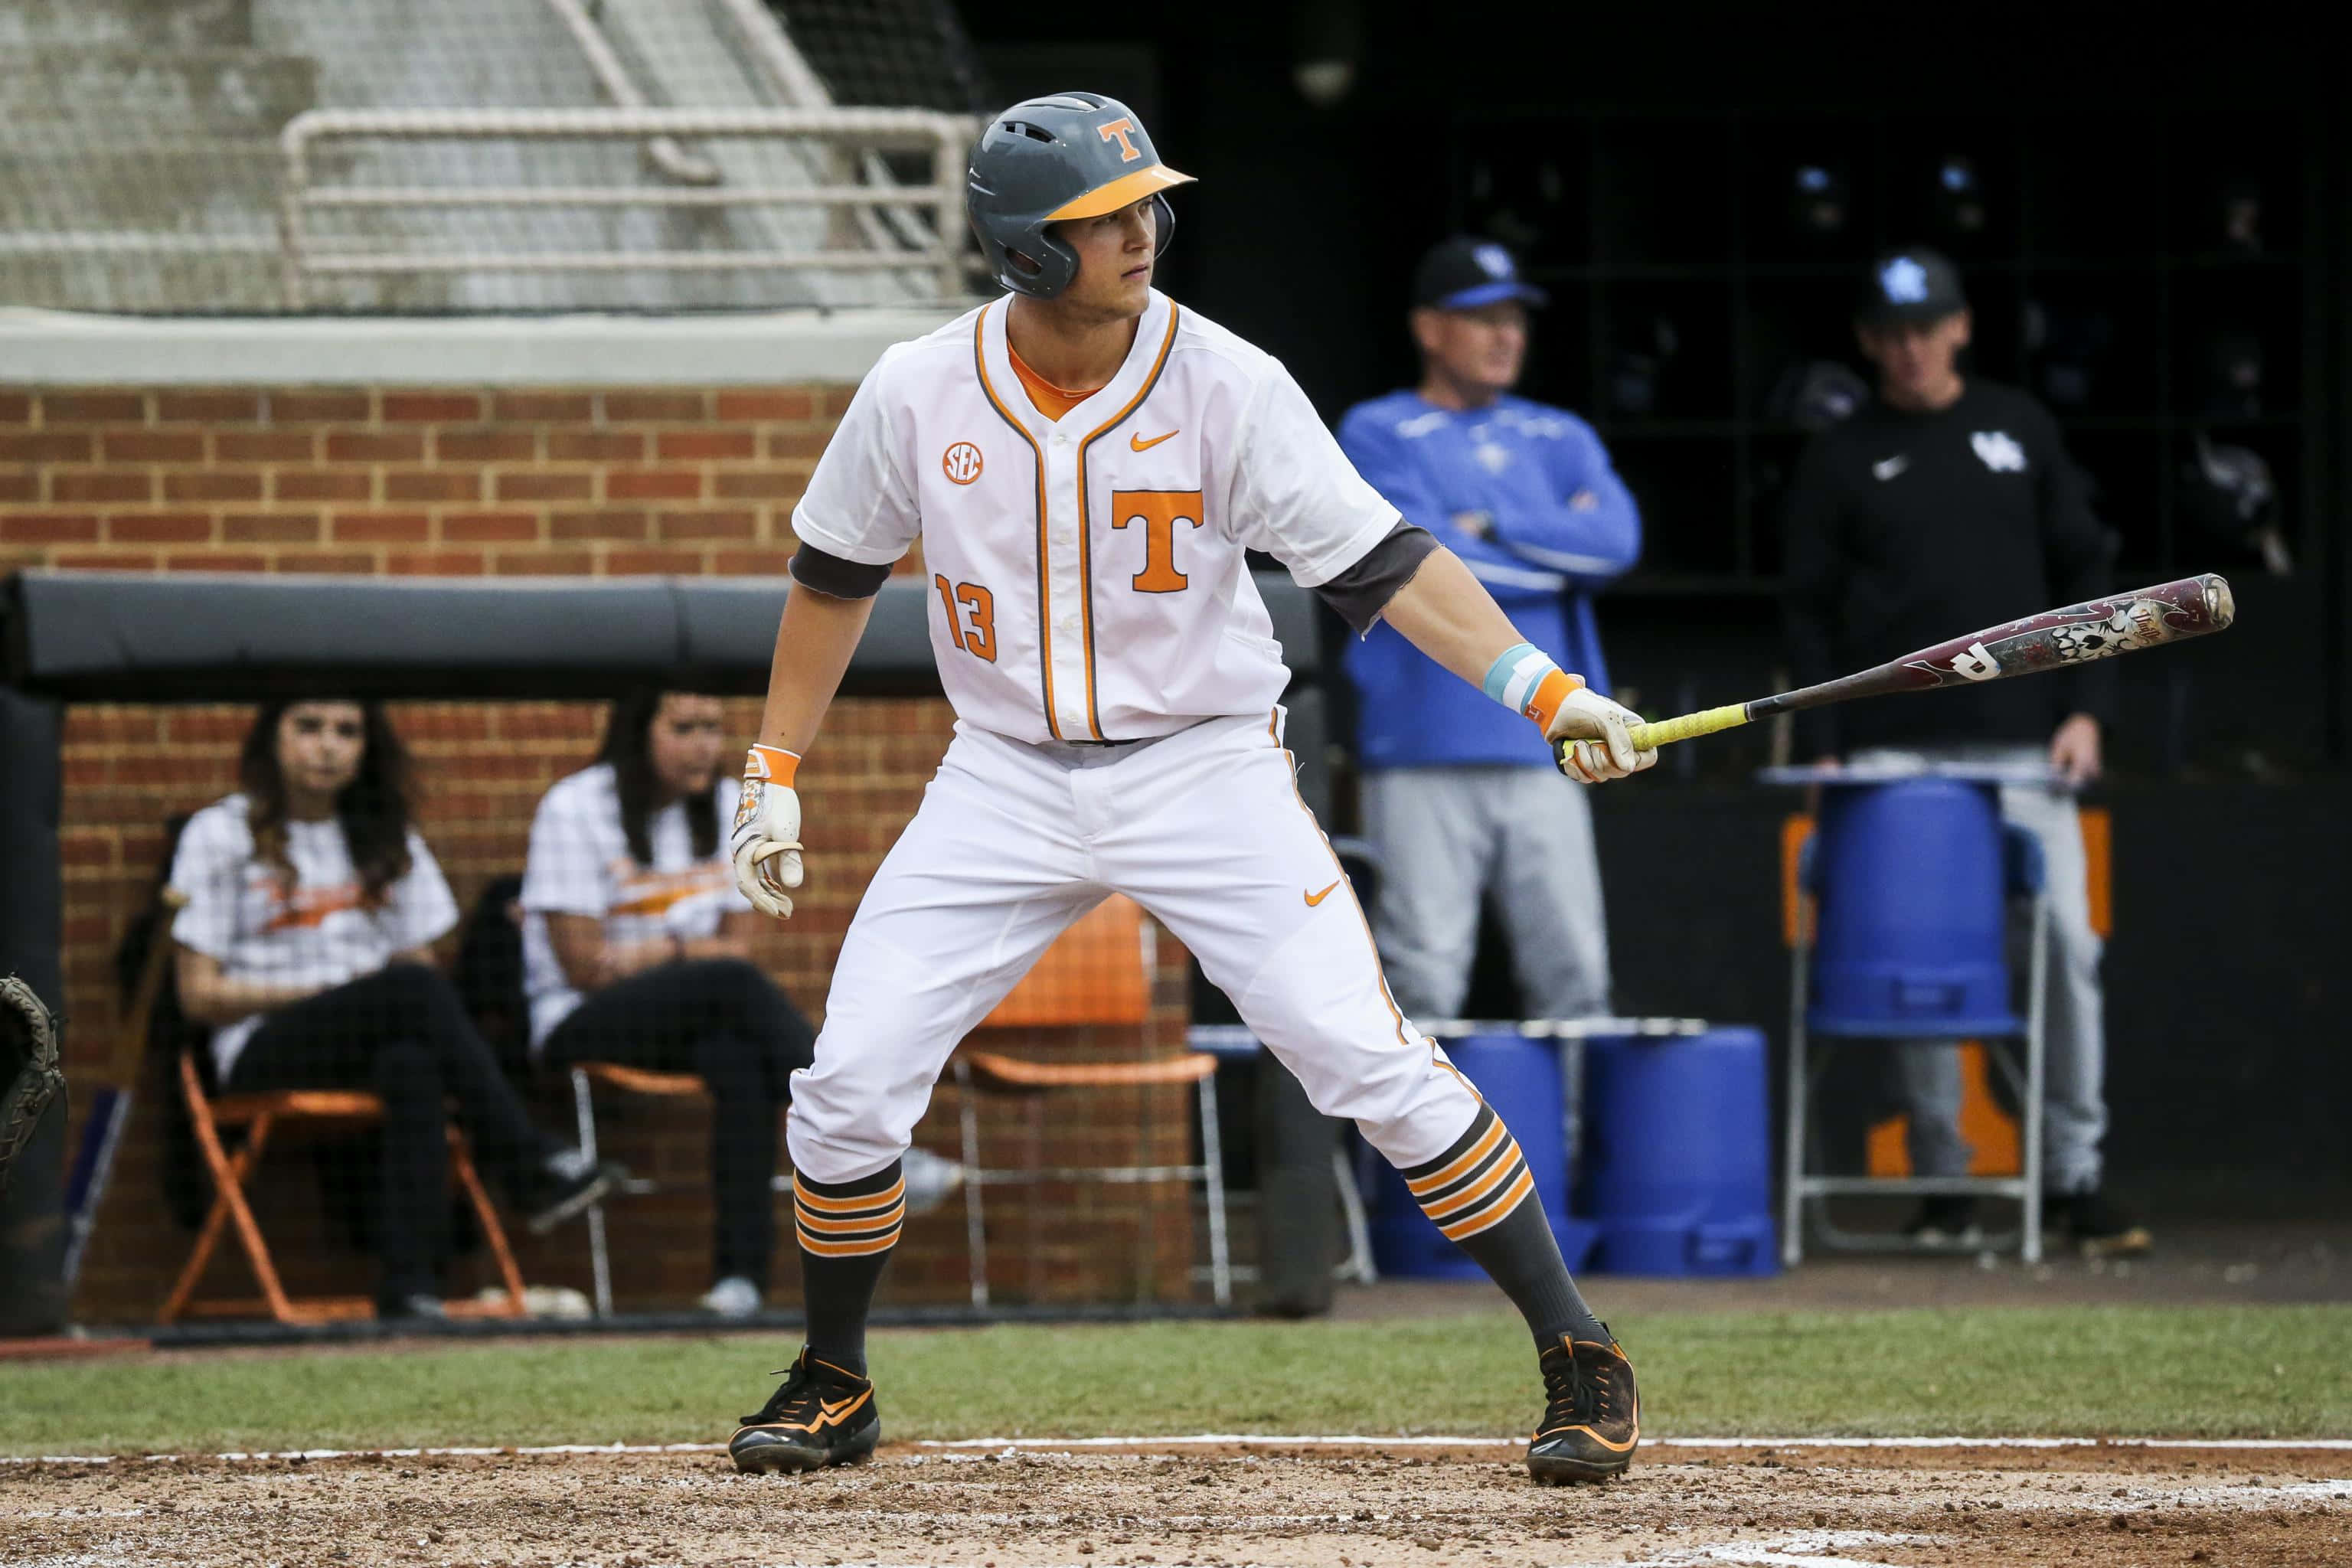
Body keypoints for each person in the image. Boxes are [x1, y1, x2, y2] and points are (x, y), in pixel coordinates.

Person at [720, 91, 1658, 1484]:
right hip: (1002, 779)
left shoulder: (1226, 378)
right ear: (1027, 248)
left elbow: (1380, 563)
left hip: (1199, 765)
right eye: (1105, 217)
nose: (1145, 230)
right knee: (847, 1084)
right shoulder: (917, 385)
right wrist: (772, 765)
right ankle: (832, 1375)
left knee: (1364, 1057)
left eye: (1147, 202)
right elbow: (834, 573)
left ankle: (1578, 1349)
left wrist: (1544, 689)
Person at [1781, 247, 2152, 1258]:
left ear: (1960, 326)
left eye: (1926, 327)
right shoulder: (1840, 453)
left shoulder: (2018, 427)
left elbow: (2090, 582)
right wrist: (1822, 746)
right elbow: (1806, 614)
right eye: (1890, 332)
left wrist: (2090, 713)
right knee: (1921, 968)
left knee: (2069, 948)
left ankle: (2076, 1176)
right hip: (1889, 758)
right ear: (1867, 341)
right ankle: (1945, 1178)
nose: (1910, 348)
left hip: (2026, 746)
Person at [168, 699, 619, 1321]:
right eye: (309, 727)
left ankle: (409, 1288)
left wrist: (366, 994)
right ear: (271, 740)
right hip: (262, 1044)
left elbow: (423, 969)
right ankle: (524, 1158)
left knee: (413, 1061)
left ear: (366, 749)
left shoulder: (384, 834)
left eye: (346, 731)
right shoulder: (221, 834)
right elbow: (198, 994)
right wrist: (335, 990)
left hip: (370, 1039)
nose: (328, 745)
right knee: (407, 989)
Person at [520, 689, 963, 1319]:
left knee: (740, 1061)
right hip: (580, 1021)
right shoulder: (575, 808)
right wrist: (689, 949)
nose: (704, 743)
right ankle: (875, 1142)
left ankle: (738, 1283)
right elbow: (585, 966)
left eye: (713, 727)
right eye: (684, 727)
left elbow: (737, 945)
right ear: (638, 733)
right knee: (728, 986)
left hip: (691, 1017)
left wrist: (654, 953)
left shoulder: (735, 805)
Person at [1338, 237, 1641, 1023]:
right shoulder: (1377, 430)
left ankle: (1570, 1149)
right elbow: (1414, 563)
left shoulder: (1560, 435)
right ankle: (1417, 1153)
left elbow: (1614, 545)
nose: (1507, 335)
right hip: (1421, 742)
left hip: (1549, 742)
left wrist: (1492, 527)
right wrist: (1548, 550)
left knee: (1575, 973)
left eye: (1515, 318)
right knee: (1423, 977)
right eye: (1482, 318)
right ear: (1430, 328)